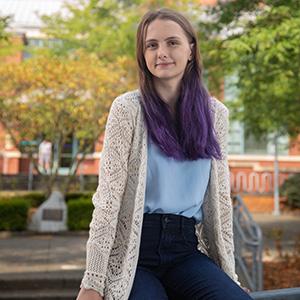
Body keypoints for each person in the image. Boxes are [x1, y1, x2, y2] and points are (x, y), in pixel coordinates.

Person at [76, 8, 253, 300]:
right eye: (152, 45)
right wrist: (93, 281)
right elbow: (108, 202)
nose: (162, 52)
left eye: (172, 42)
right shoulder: (127, 109)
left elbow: (220, 206)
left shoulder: (215, 114)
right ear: (143, 55)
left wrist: (228, 277)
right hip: (134, 257)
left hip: (186, 252)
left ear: (191, 51)